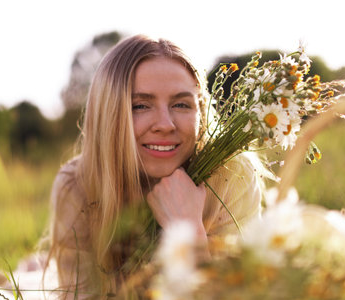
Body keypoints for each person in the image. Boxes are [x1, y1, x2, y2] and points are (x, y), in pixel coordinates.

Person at [48, 34, 263, 299]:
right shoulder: (77, 186)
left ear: (201, 110)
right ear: (109, 114)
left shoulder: (232, 176)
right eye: (140, 106)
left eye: (181, 104)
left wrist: (190, 232)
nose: (165, 124)